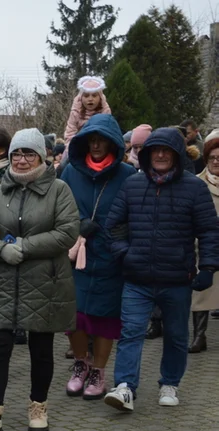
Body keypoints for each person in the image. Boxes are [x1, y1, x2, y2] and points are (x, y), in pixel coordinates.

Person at [0, 128, 80, 431]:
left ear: (41, 156)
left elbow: (67, 232)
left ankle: (38, 407)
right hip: (3, 280)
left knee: (41, 348)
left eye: (28, 153)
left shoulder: (59, 190)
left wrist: (23, 247)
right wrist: (2, 250)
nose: (20, 160)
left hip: (45, 281)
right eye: (16, 154)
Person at [103, 128, 219, 412]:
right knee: (130, 332)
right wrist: (125, 254)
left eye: (167, 151)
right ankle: (125, 387)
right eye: (155, 150)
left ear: (178, 155)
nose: (161, 155)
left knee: (177, 335)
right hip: (136, 278)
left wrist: (208, 267)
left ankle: (170, 382)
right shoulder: (132, 185)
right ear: (146, 155)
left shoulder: (194, 187)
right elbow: (113, 226)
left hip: (178, 279)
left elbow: (209, 231)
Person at [59, 115, 136, 400]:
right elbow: (59, 208)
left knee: (104, 318)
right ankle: (81, 364)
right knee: (74, 316)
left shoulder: (128, 175)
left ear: (113, 143)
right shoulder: (69, 172)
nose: (96, 145)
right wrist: (76, 224)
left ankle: (98, 371)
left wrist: (117, 239)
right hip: (74, 255)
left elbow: (134, 216)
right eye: (91, 139)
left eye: (102, 140)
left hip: (110, 257)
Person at [190, 129, 219, 353]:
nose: (216, 161)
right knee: (201, 294)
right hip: (204, 246)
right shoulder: (196, 184)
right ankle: (199, 336)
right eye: (212, 157)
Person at [63, 77, 111, 144]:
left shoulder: (105, 112)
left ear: (100, 98)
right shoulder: (75, 112)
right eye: (86, 96)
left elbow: (109, 133)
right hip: (79, 146)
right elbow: (69, 134)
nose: (90, 99)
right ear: (81, 98)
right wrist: (73, 149)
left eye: (94, 96)